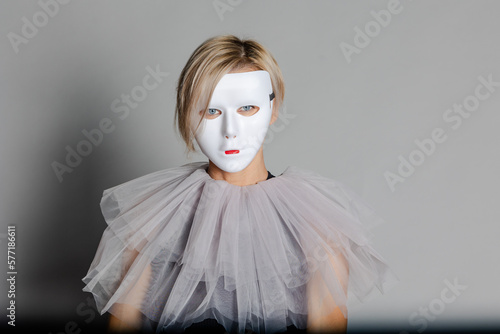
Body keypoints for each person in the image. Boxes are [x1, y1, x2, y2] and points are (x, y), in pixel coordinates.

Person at [82, 35, 398, 334]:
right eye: (211, 110)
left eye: (247, 108)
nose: (230, 129)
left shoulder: (315, 225)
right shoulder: (152, 219)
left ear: (274, 109)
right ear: (187, 114)